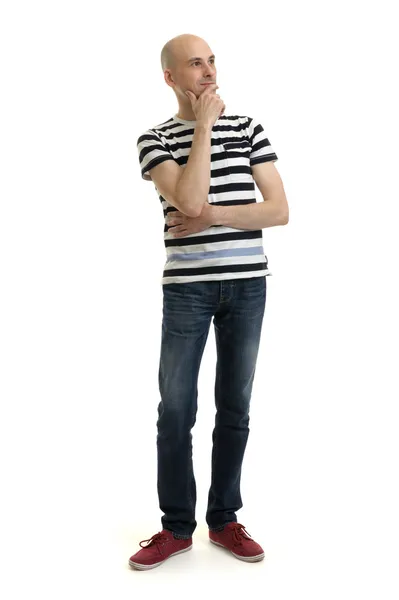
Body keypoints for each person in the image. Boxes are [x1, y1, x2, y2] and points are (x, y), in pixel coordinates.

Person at [130, 33, 289, 571]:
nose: (209, 72)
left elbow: (279, 210)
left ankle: (223, 520)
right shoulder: (154, 140)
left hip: (249, 285)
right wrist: (203, 129)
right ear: (171, 77)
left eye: (212, 61)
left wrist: (213, 216)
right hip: (187, 291)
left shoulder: (249, 130)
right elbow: (189, 197)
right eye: (195, 64)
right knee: (175, 410)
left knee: (235, 406)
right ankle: (176, 527)